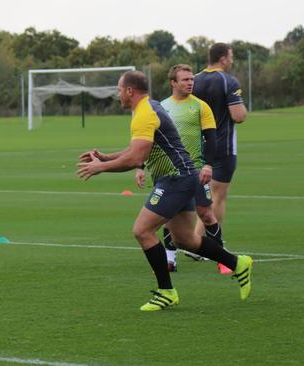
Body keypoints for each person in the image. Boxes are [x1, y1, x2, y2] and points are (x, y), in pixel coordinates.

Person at [76, 70, 252, 311]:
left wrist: (101, 167)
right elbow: (136, 149)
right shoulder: (148, 108)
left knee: (142, 230)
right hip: (183, 177)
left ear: (129, 91)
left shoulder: (145, 113)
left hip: (175, 179)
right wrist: (106, 157)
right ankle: (238, 262)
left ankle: (166, 291)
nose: (118, 94)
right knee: (185, 239)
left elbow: (136, 158)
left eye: (119, 90)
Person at [135, 64, 231, 274]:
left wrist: (208, 164)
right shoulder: (161, 106)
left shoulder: (200, 106)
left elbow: (211, 138)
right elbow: (149, 139)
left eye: (191, 79)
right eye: (185, 80)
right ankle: (170, 261)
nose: (190, 83)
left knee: (206, 213)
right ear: (173, 83)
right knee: (170, 215)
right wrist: (140, 166)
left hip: (195, 171)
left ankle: (222, 258)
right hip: (169, 173)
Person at [193, 43, 247, 231]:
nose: (232, 60)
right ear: (223, 59)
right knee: (218, 196)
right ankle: (201, 242)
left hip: (196, 147)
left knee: (200, 197)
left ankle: (195, 242)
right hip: (222, 147)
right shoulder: (228, 81)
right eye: (231, 56)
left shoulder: (194, 80)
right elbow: (238, 116)